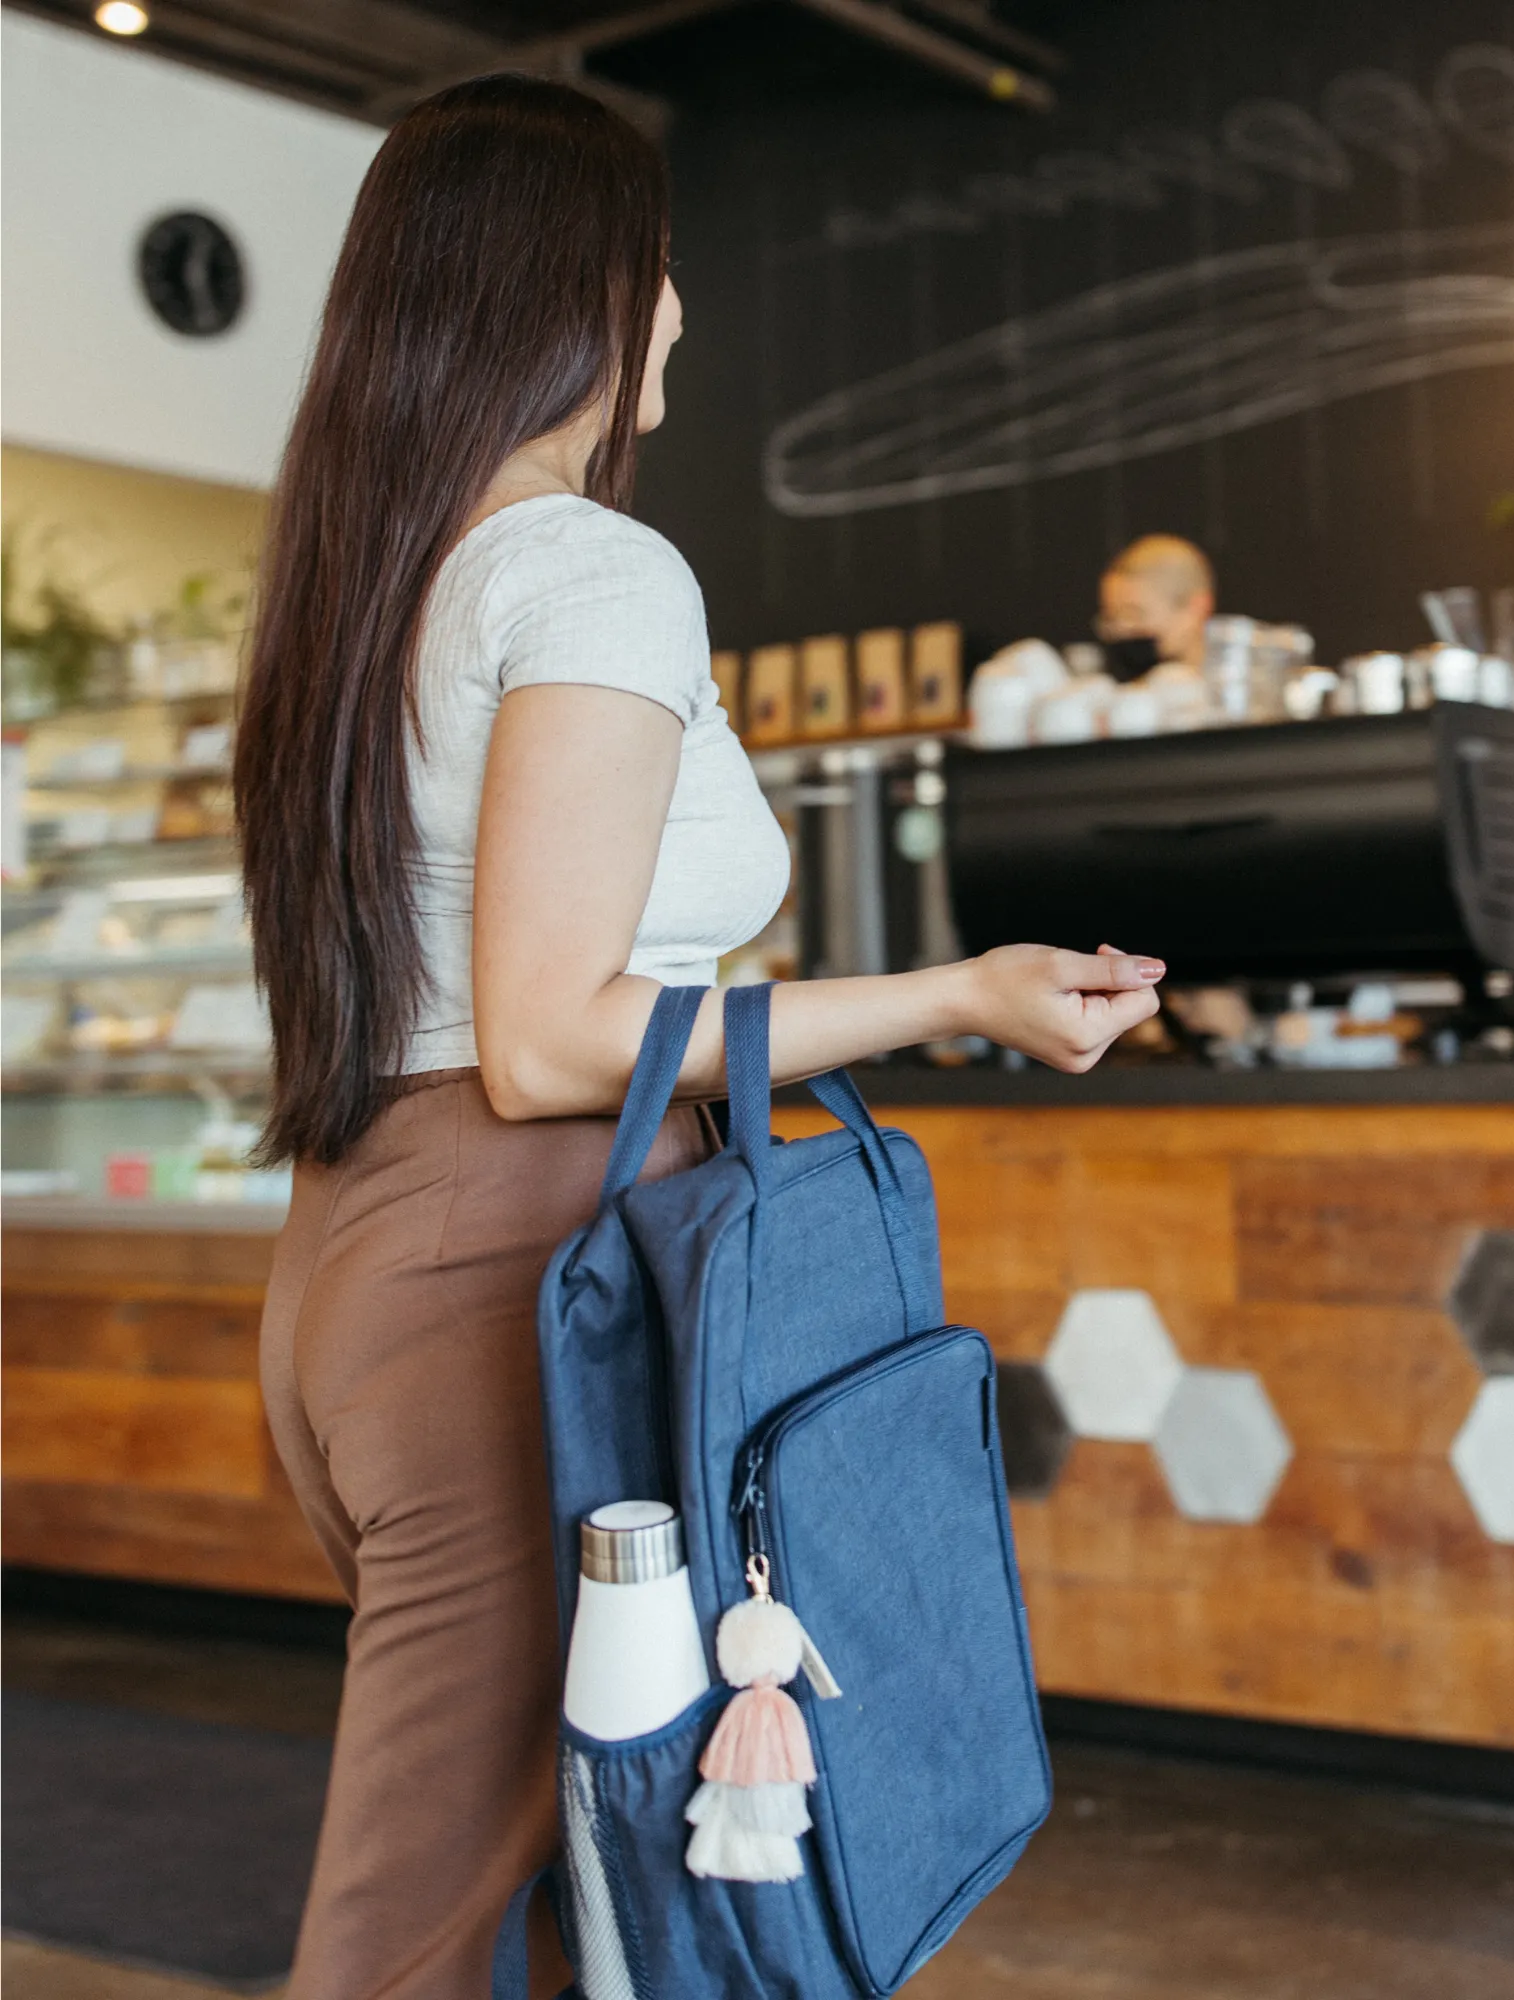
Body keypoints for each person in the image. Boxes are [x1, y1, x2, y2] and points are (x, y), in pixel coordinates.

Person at [234, 76, 1163, 2000]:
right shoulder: (585, 571)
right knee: (413, 1933)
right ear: (577, 289)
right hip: (521, 1287)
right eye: (659, 271)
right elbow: (557, 1038)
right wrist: (960, 994)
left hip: (363, 1267)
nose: (678, 316)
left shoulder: (366, 581)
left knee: (593, 1899)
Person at [1095, 533, 1215, 679]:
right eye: (1111, 618)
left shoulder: (1243, 691)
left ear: (1196, 608)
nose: (1120, 630)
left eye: (1134, 614)